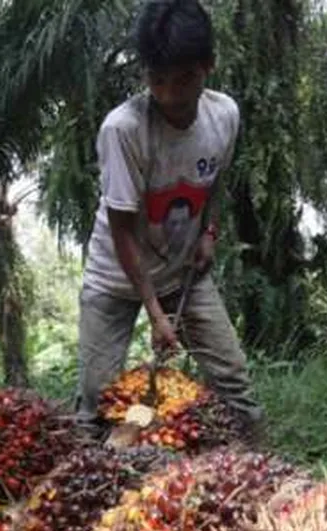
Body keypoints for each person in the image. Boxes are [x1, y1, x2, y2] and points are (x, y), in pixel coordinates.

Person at [74, 0, 265, 445]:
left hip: (183, 271)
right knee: (96, 401)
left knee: (233, 379)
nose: (169, 95)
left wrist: (209, 233)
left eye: (183, 80)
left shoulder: (224, 117)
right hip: (115, 279)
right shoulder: (122, 130)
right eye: (158, 80)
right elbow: (122, 231)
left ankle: (263, 472)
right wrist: (156, 313)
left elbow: (215, 184)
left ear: (208, 68)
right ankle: (81, 492)